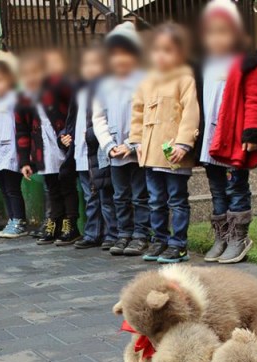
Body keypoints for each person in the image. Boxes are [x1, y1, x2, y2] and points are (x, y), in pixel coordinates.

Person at [198, 0, 257, 264]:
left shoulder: (248, 64)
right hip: (210, 140)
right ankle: (222, 236)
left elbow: (254, 100)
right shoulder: (204, 65)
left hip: (234, 139)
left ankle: (239, 237)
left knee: (236, 186)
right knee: (217, 189)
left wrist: (251, 132)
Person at [130, 22, 200, 264]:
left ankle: (178, 244)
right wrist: (137, 140)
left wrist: (183, 144)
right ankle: (159, 240)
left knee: (176, 199)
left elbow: (191, 112)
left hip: (173, 155)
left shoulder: (184, 78)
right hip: (150, 154)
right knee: (155, 200)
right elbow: (137, 112)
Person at [93, 21, 150, 256]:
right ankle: (123, 233)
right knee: (119, 195)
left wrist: (131, 144)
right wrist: (109, 145)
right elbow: (98, 117)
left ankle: (140, 234)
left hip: (137, 150)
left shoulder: (144, 80)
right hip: (114, 151)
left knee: (140, 194)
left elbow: (148, 115)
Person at [14, 51, 78, 246]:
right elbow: (22, 131)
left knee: (67, 186)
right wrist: (25, 161)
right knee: (52, 188)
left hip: (62, 144)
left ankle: (71, 224)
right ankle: (54, 222)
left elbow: (74, 107)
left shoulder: (57, 88)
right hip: (42, 149)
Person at [60, 44, 118, 250]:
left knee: (105, 195)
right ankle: (93, 233)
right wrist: (64, 135)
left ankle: (112, 233)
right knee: (89, 196)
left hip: (99, 151)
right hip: (81, 153)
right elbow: (70, 121)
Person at [0, 61, 28, 239]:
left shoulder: (14, 102)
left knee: (12, 187)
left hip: (11, 152)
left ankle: (19, 221)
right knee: (3, 187)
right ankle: (12, 219)